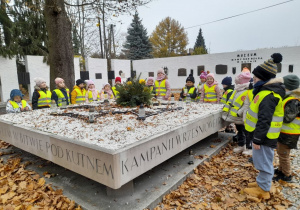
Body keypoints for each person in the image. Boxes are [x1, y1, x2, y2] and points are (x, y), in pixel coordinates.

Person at [243, 53, 284, 199]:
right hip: (262, 136)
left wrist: (257, 139)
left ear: (264, 78)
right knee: (261, 161)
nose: (253, 80)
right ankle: (262, 183)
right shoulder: (264, 92)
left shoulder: (268, 95)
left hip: (264, 137)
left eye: (255, 77)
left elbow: (264, 120)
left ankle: (264, 189)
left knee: (265, 162)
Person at [273, 75, 300, 182]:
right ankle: (281, 169)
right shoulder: (288, 98)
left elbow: (288, 118)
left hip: (290, 133)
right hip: (285, 131)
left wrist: (276, 114)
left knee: (284, 154)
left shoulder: (293, 100)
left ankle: (287, 175)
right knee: (281, 152)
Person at [222, 72, 252, 153]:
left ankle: (249, 148)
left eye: (238, 81)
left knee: (247, 132)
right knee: (239, 130)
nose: (236, 82)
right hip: (236, 116)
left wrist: (239, 112)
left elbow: (247, 104)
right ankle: (241, 145)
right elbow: (232, 100)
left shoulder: (248, 90)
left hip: (243, 116)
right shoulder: (237, 89)